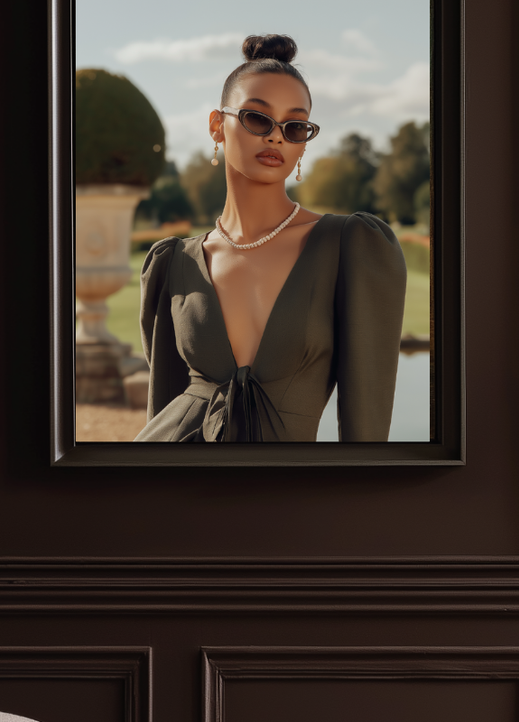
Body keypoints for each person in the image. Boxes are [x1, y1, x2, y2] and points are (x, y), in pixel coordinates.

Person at [136, 33, 407, 442]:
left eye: (295, 126)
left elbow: (367, 429)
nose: (276, 136)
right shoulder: (173, 262)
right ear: (217, 126)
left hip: (290, 494)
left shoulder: (350, 245)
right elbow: (162, 406)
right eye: (257, 118)